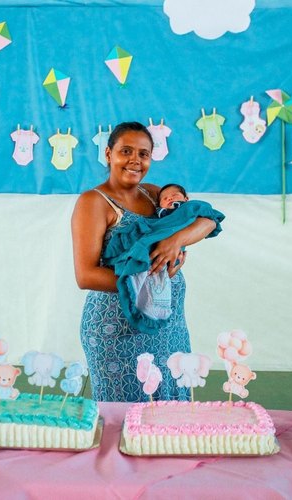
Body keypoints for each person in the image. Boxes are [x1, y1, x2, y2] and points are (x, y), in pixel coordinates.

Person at [71, 121, 219, 402]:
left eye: (143, 153)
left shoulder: (153, 194)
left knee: (170, 416)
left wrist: (176, 241)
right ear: (108, 153)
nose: (135, 161)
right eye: (126, 151)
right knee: (126, 419)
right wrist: (151, 280)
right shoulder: (94, 202)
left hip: (169, 324)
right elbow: (85, 275)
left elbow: (206, 219)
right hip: (116, 328)